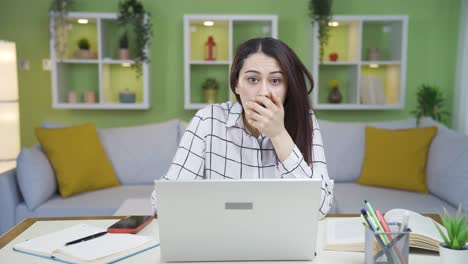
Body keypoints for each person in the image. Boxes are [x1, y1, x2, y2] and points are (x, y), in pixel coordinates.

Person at [151, 37, 333, 219]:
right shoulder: (208, 120)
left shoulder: (305, 120)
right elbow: (163, 203)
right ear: (236, 85)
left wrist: (279, 135)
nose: (263, 92)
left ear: (288, 87)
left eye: (275, 80)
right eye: (253, 79)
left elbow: (320, 208)